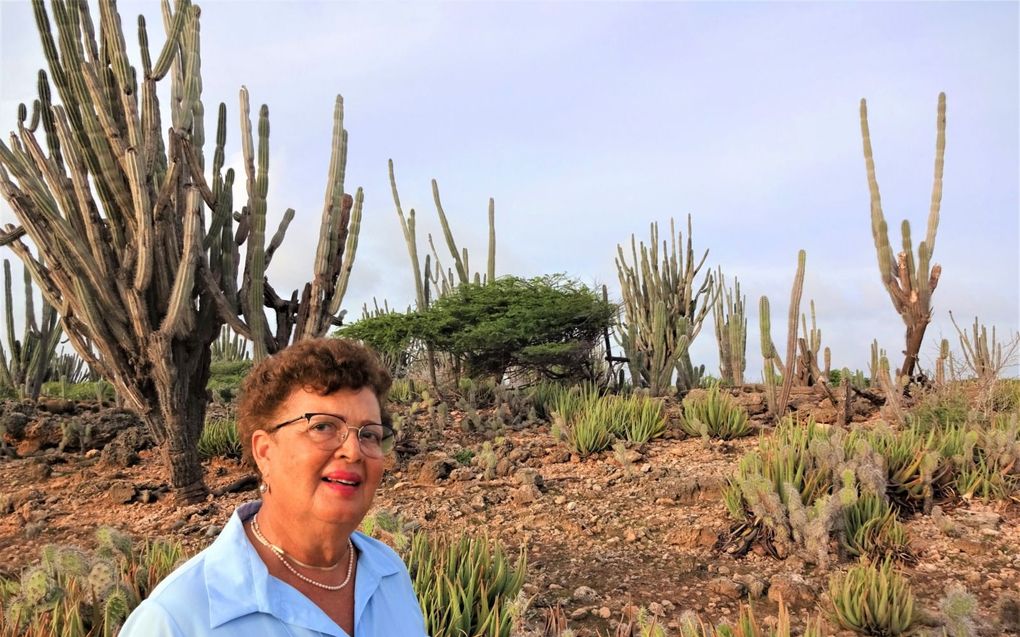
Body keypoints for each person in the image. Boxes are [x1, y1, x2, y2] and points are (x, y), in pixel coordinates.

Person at [121, 338, 428, 636]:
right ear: (265, 452)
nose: (353, 450)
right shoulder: (176, 620)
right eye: (322, 426)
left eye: (370, 434)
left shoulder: (388, 572)